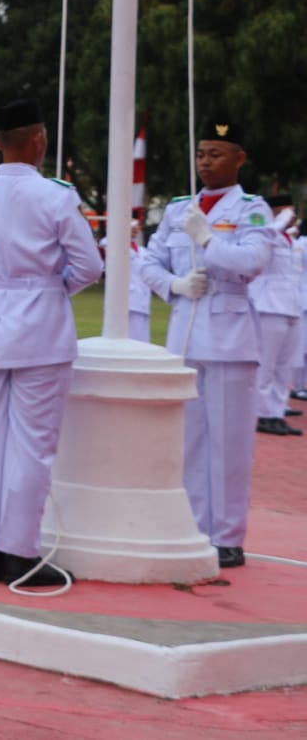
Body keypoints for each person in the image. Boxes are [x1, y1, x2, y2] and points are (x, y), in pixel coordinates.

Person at [0, 100, 101, 587]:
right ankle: (20, 553)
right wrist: (51, 288)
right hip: (39, 327)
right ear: (39, 139)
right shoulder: (55, 196)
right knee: (33, 445)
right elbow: (90, 266)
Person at [141, 122, 274, 570]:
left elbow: (253, 261)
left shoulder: (252, 209)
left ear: (239, 158)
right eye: (201, 153)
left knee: (229, 444)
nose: (205, 162)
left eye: (216, 153)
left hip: (231, 338)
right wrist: (174, 285)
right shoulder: (180, 207)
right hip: (186, 330)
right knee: (190, 442)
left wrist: (208, 240)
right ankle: (195, 528)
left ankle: (227, 536)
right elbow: (149, 261)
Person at [249, 195, 301, 437]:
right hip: (269, 305)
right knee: (266, 364)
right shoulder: (266, 233)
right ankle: (263, 414)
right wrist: (278, 222)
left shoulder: (291, 240)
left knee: (284, 366)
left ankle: (277, 413)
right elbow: (261, 244)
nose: (292, 215)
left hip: (292, 305)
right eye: (286, 210)